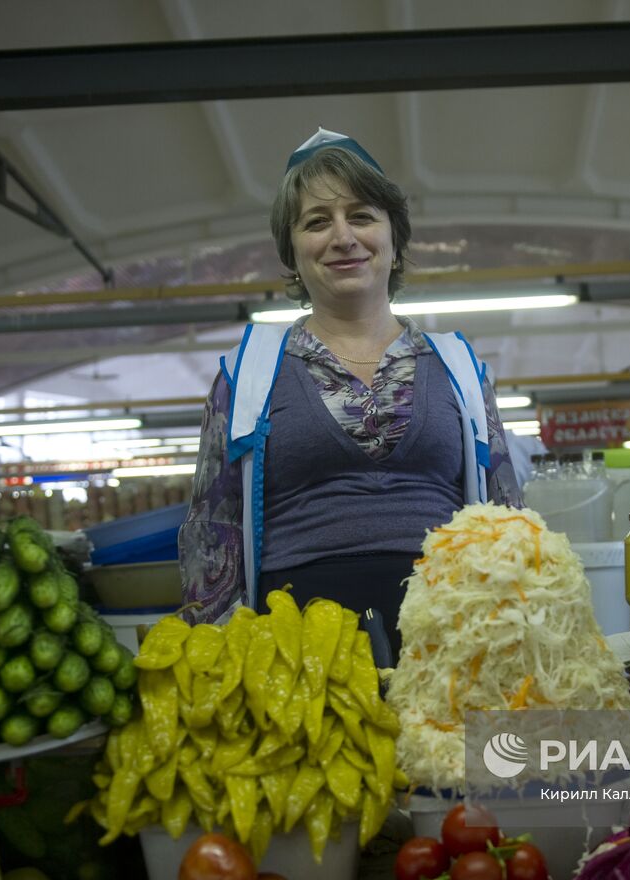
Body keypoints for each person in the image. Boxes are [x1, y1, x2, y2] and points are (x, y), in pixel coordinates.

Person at [178, 129, 521, 654]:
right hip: (299, 658)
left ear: (394, 238)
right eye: (318, 222)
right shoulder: (245, 374)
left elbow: (509, 518)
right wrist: (221, 665)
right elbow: (211, 534)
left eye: (361, 216)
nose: (343, 237)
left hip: (451, 646)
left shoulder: (459, 366)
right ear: (291, 252)